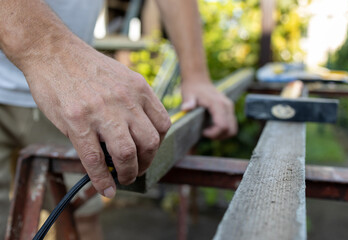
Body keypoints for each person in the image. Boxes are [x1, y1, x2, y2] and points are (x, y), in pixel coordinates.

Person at [0, 0, 237, 239]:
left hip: (70, 96)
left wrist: (196, 74)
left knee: (81, 220)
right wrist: (50, 51)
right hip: (60, 76)